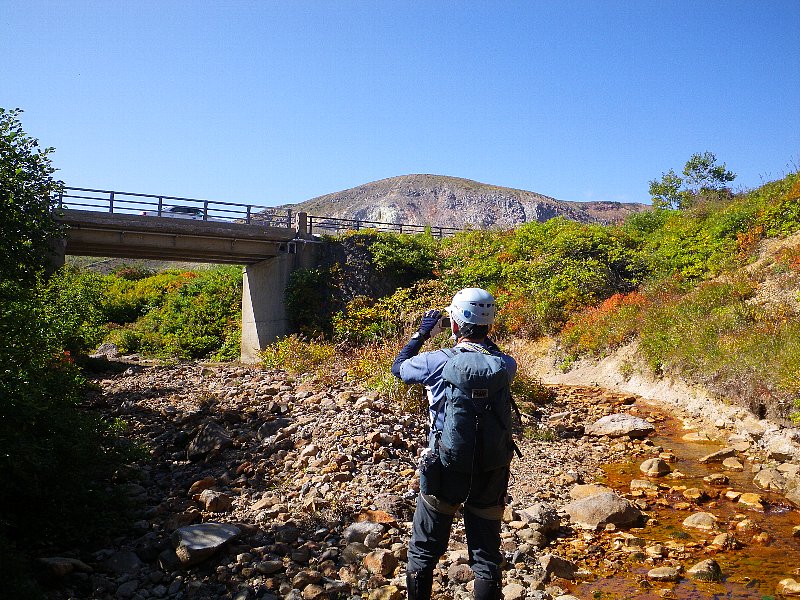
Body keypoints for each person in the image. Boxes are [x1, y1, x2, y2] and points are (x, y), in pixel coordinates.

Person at [391, 288, 517, 600]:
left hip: (446, 465)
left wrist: (422, 334)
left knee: (423, 552)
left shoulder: (437, 361)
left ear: (455, 324)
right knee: (486, 557)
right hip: (491, 467)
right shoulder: (505, 365)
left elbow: (399, 368)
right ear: (489, 326)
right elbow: (492, 354)